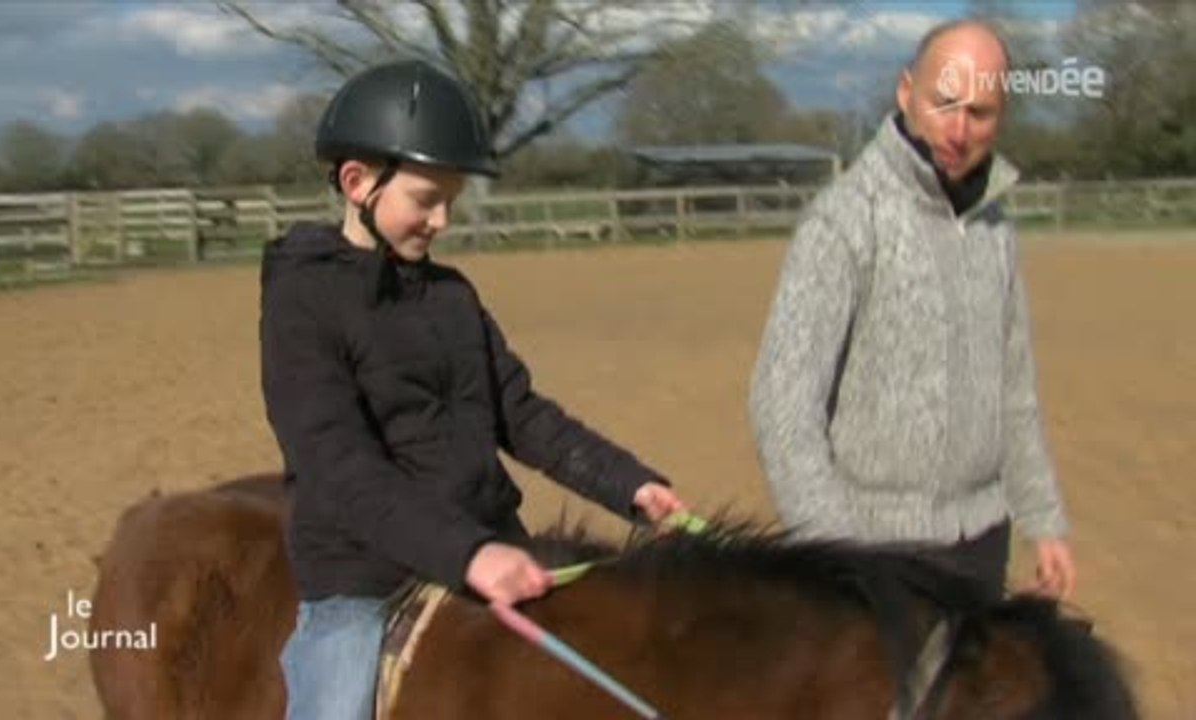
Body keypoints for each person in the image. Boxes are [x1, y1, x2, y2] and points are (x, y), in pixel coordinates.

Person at [259, 60, 687, 720]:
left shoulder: (452, 296)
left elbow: (522, 413)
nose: (441, 221)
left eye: (450, 202)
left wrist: (630, 486)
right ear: (357, 183)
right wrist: (467, 554)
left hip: (492, 543)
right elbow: (338, 467)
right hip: (362, 576)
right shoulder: (303, 302)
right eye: (426, 200)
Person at [748, 19, 1075, 603]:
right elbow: (782, 406)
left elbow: (1014, 391)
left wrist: (1043, 519)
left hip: (981, 541)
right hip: (875, 551)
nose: (957, 129)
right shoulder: (844, 221)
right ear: (905, 92)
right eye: (943, 103)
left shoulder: (994, 226)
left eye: (980, 113)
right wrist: (841, 556)